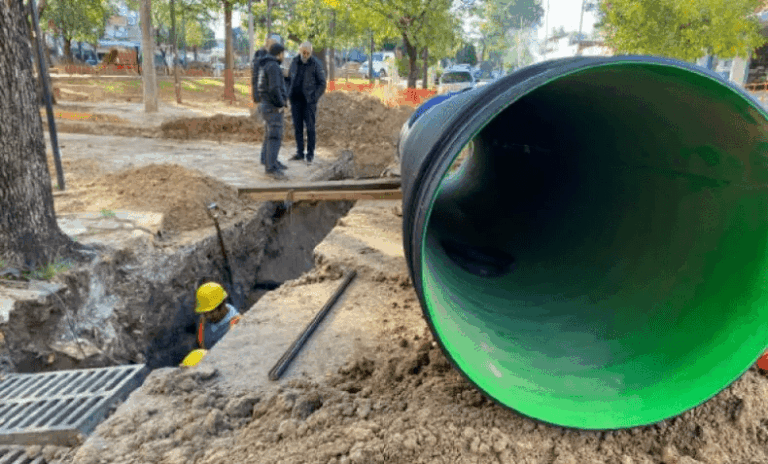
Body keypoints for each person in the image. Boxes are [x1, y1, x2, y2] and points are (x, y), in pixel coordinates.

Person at [288, 41, 327, 164]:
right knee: (298, 128)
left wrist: (314, 97)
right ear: (300, 51)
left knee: (310, 128)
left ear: (310, 52)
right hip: (295, 100)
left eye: (308, 53)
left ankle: (310, 155)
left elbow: (322, 83)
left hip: (309, 102)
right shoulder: (294, 61)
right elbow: (289, 78)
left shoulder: (315, 64)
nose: (305, 55)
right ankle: (300, 153)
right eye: (303, 52)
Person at [257, 42, 289, 179]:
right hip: (272, 106)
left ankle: (268, 160)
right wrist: (281, 103)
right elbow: (274, 88)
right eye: (283, 54)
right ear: (279, 53)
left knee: (269, 135)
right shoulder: (274, 66)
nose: (284, 56)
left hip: (266, 105)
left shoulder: (265, 64)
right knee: (275, 136)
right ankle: (271, 168)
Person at [194, 282, 242, 350]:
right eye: (204, 313)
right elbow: (201, 345)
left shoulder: (235, 321)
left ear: (222, 305)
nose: (207, 316)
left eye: (211, 312)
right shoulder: (203, 319)